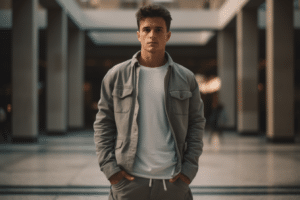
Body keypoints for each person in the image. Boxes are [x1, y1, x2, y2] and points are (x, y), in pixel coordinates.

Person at [94, 4, 206, 200]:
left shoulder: (186, 78)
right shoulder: (116, 76)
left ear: (168, 35)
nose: (152, 35)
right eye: (146, 29)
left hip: (173, 182)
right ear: (138, 35)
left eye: (158, 30)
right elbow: (103, 124)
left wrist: (188, 172)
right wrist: (111, 171)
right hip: (128, 181)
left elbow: (197, 124)